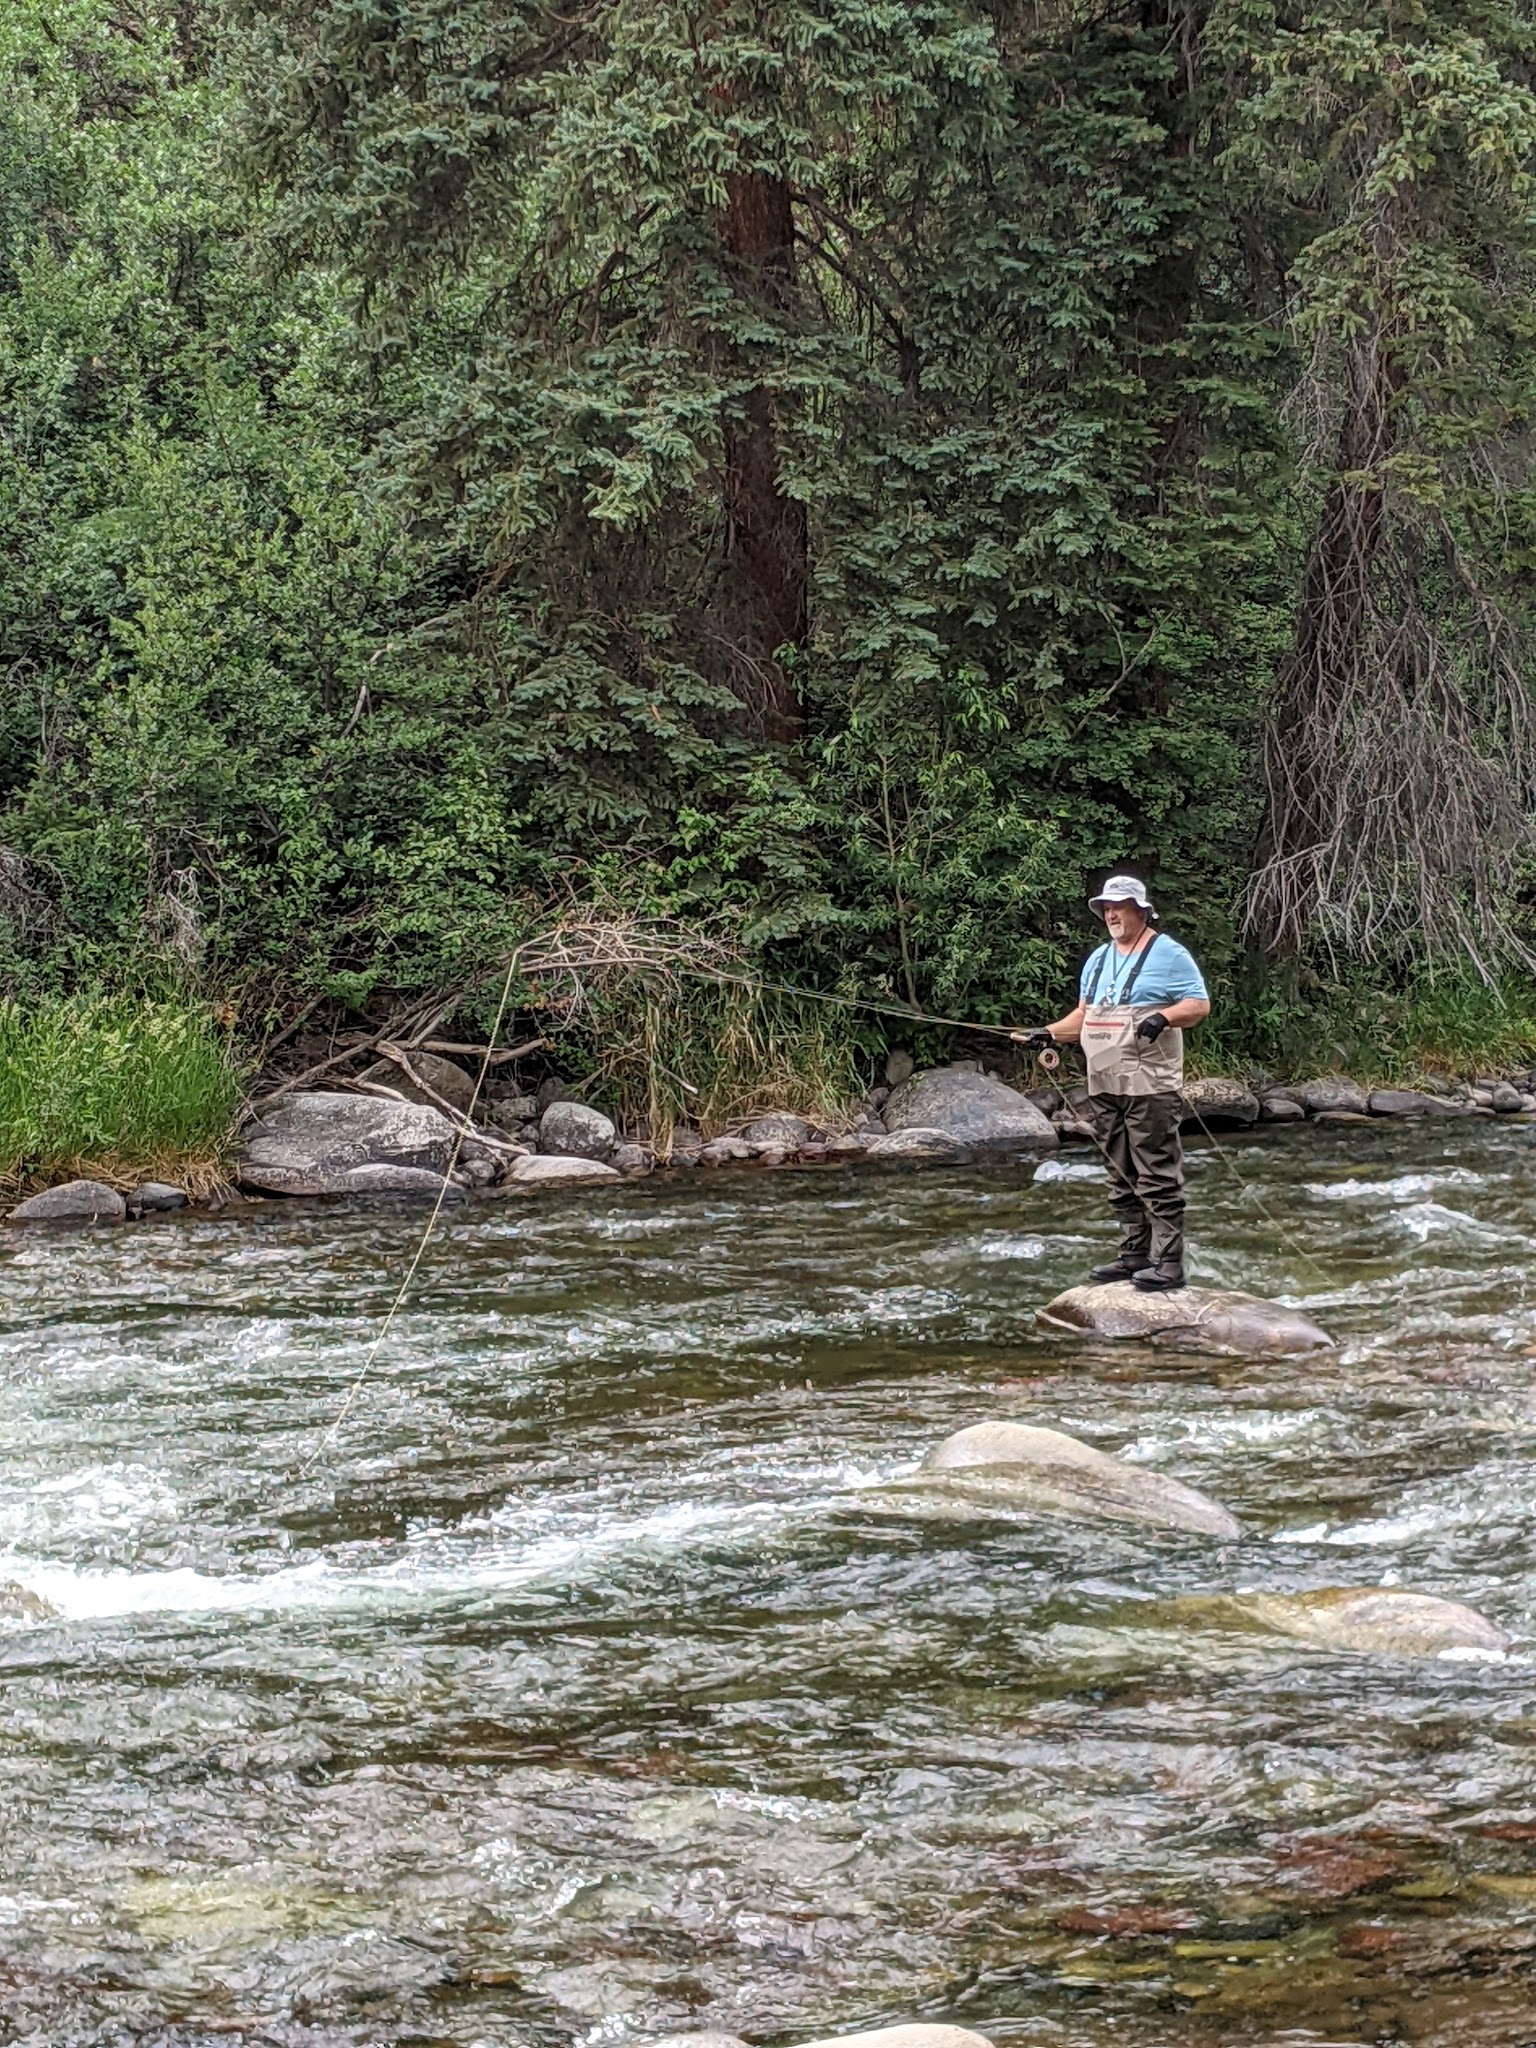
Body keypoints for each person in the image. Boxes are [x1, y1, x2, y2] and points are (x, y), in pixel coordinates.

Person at [1013, 874, 1209, 1291]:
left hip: (1151, 1085)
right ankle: (1133, 1253)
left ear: (1141, 910)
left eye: (1119, 906)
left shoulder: (1170, 953)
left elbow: (1198, 1004)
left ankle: (1168, 1263)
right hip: (1104, 1083)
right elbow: (1082, 1017)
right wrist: (1046, 1033)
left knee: (1155, 1171)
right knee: (1119, 1171)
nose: (1111, 913)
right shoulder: (1098, 959)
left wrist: (1164, 1017)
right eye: (1106, 907)